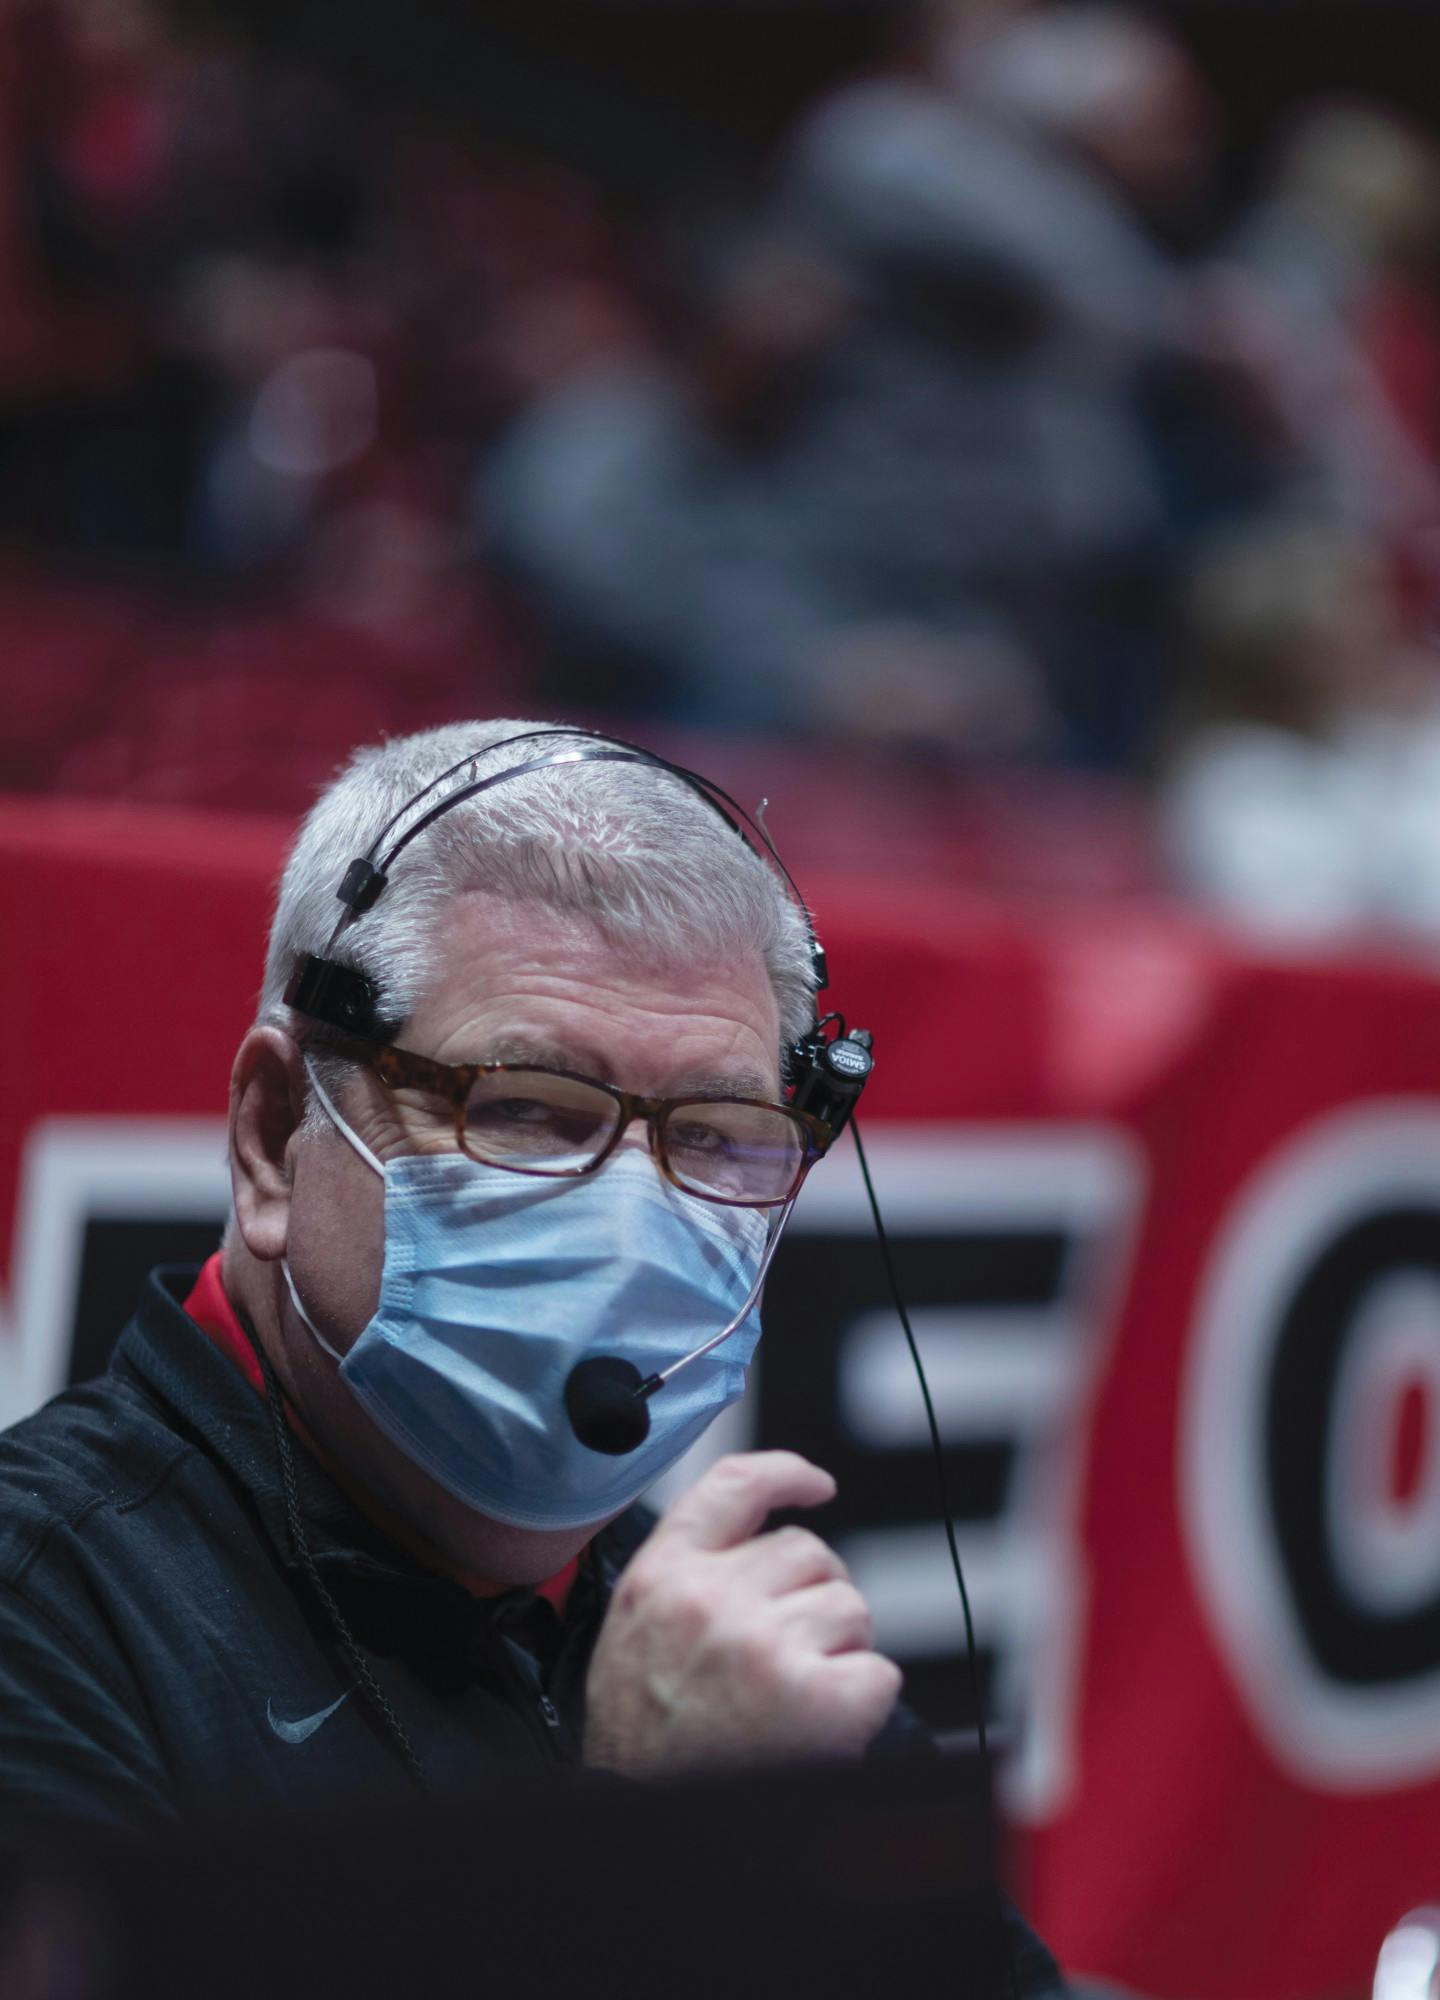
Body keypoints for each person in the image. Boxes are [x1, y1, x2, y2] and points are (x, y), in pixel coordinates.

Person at [0, 719, 1066, 1992]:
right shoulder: (48, 1615)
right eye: (525, 1106)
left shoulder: (703, 1634)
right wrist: (648, 1848)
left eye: (718, 1133)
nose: (628, 1225)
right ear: (276, 1136)